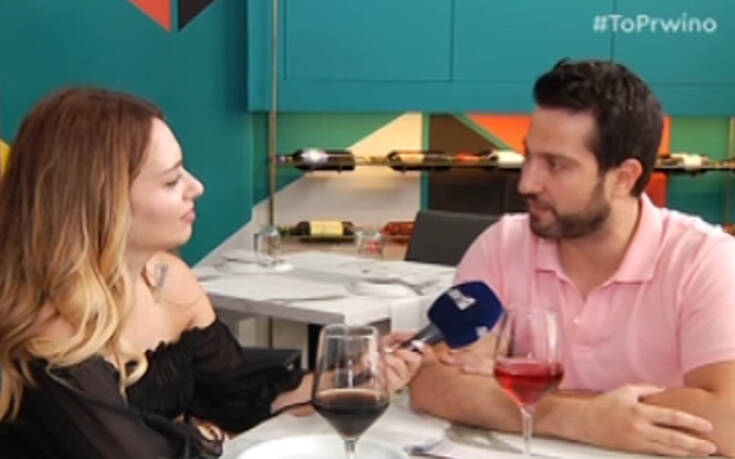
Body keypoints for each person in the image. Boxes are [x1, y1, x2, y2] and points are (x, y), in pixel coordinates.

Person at [0, 88, 425, 459]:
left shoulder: (167, 278)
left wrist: (349, 377)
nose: (196, 187)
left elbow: (236, 396)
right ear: (102, 203)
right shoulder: (50, 333)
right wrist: (209, 436)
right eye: (171, 181)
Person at [410, 59, 735, 457]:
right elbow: (431, 385)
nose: (527, 182)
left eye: (556, 165)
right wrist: (581, 419)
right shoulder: (501, 243)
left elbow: (728, 420)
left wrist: (508, 399)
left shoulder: (705, 261)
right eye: (528, 156)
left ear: (624, 178)